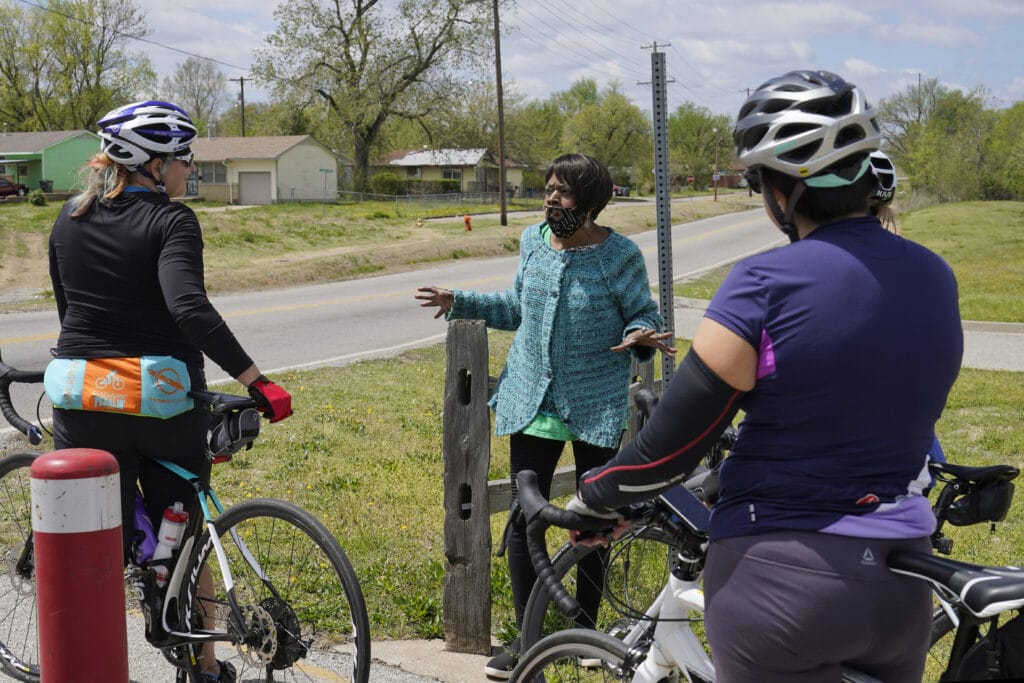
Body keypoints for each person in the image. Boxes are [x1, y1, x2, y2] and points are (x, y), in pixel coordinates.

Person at [566, 71, 963, 682]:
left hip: (785, 579)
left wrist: (594, 497)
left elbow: (669, 448)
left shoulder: (764, 287)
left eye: (759, 183)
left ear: (783, 191)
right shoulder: (936, 277)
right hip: (903, 580)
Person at [47, 100, 292, 683]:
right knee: (188, 535)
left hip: (84, 400)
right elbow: (188, 309)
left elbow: (68, 314)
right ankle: (203, 663)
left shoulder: (66, 219)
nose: (190, 171)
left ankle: (129, 587)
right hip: (162, 403)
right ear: (152, 165)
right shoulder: (173, 221)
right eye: (183, 159)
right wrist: (258, 382)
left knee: (90, 527)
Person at [415, 152, 674, 678]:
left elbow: (643, 315)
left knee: (593, 523)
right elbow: (516, 307)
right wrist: (460, 300)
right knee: (523, 522)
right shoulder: (533, 241)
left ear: (590, 201)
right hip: (531, 401)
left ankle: (588, 635)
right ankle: (529, 639)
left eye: (564, 191)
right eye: (549, 189)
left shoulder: (619, 256)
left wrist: (640, 336)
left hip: (595, 403)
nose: (551, 198)